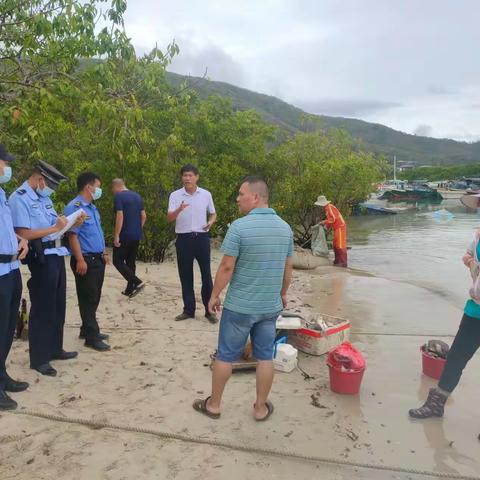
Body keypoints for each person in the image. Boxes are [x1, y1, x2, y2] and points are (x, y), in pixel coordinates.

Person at [193, 176, 294, 421]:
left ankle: (214, 405)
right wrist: (282, 294)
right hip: (269, 307)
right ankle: (260, 408)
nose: (237, 198)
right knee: (265, 357)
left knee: (226, 355)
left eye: (241, 194)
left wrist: (214, 295)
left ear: (256, 197)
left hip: (240, 307)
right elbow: (287, 268)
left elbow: (227, 266)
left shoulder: (239, 227)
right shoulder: (285, 228)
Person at [9, 161, 79, 377]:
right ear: (40, 179)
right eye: (50, 185)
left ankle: (55, 348)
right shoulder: (19, 198)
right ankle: (39, 358)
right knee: (42, 307)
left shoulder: (44, 198)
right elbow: (23, 233)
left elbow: (55, 225)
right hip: (41, 258)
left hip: (57, 255)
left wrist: (70, 223)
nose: (51, 190)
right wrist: (54, 228)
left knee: (58, 305)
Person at [409, 228, 480, 421]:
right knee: (455, 358)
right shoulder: (477, 235)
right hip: (475, 309)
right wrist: (470, 262)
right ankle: (436, 404)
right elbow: (468, 255)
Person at [65, 172, 110, 352]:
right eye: (97, 186)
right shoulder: (75, 207)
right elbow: (72, 236)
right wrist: (80, 260)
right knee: (88, 298)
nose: (99, 190)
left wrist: (104, 252)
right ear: (88, 187)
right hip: (85, 260)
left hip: (97, 258)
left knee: (95, 296)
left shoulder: (92, 207)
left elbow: (97, 232)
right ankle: (92, 337)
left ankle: (86, 329)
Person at [167, 164, 218, 324]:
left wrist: (210, 222)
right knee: (185, 275)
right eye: (184, 175)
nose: (187, 178)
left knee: (206, 275)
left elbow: (213, 213)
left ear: (196, 177)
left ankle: (209, 311)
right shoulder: (175, 195)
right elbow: (169, 218)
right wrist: (178, 210)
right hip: (183, 239)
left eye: (190, 175)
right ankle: (188, 310)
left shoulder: (205, 194)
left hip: (201, 238)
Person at [0, 144, 29, 410]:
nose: (7, 168)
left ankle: (2, 375)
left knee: (8, 326)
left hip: (11, 269)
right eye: (4, 163)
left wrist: (22, 240)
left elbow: (7, 229)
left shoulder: (1, 193)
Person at [111, 178, 146, 297]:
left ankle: (136, 282)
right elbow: (143, 216)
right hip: (136, 234)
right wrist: (137, 228)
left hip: (124, 235)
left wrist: (116, 235)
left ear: (116, 187)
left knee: (117, 260)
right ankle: (129, 289)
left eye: (112, 189)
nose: (113, 192)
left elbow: (119, 216)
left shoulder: (119, 197)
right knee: (130, 262)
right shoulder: (137, 196)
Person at [314, 195, 347, 267]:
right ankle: (337, 261)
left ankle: (343, 262)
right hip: (336, 228)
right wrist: (326, 227)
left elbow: (333, 219)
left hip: (340, 227)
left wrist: (324, 222)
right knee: (335, 244)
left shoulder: (329, 207)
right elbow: (331, 220)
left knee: (340, 244)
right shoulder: (327, 208)